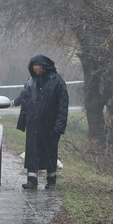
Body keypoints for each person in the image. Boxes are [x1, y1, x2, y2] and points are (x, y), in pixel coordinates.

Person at [11, 54, 69, 190]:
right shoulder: (31, 81)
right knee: (32, 152)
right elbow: (23, 97)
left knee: (50, 152)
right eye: (33, 66)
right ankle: (32, 180)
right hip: (33, 123)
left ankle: (51, 180)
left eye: (37, 66)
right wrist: (13, 103)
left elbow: (63, 106)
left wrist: (59, 126)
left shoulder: (57, 82)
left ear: (44, 66)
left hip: (50, 125)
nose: (35, 68)